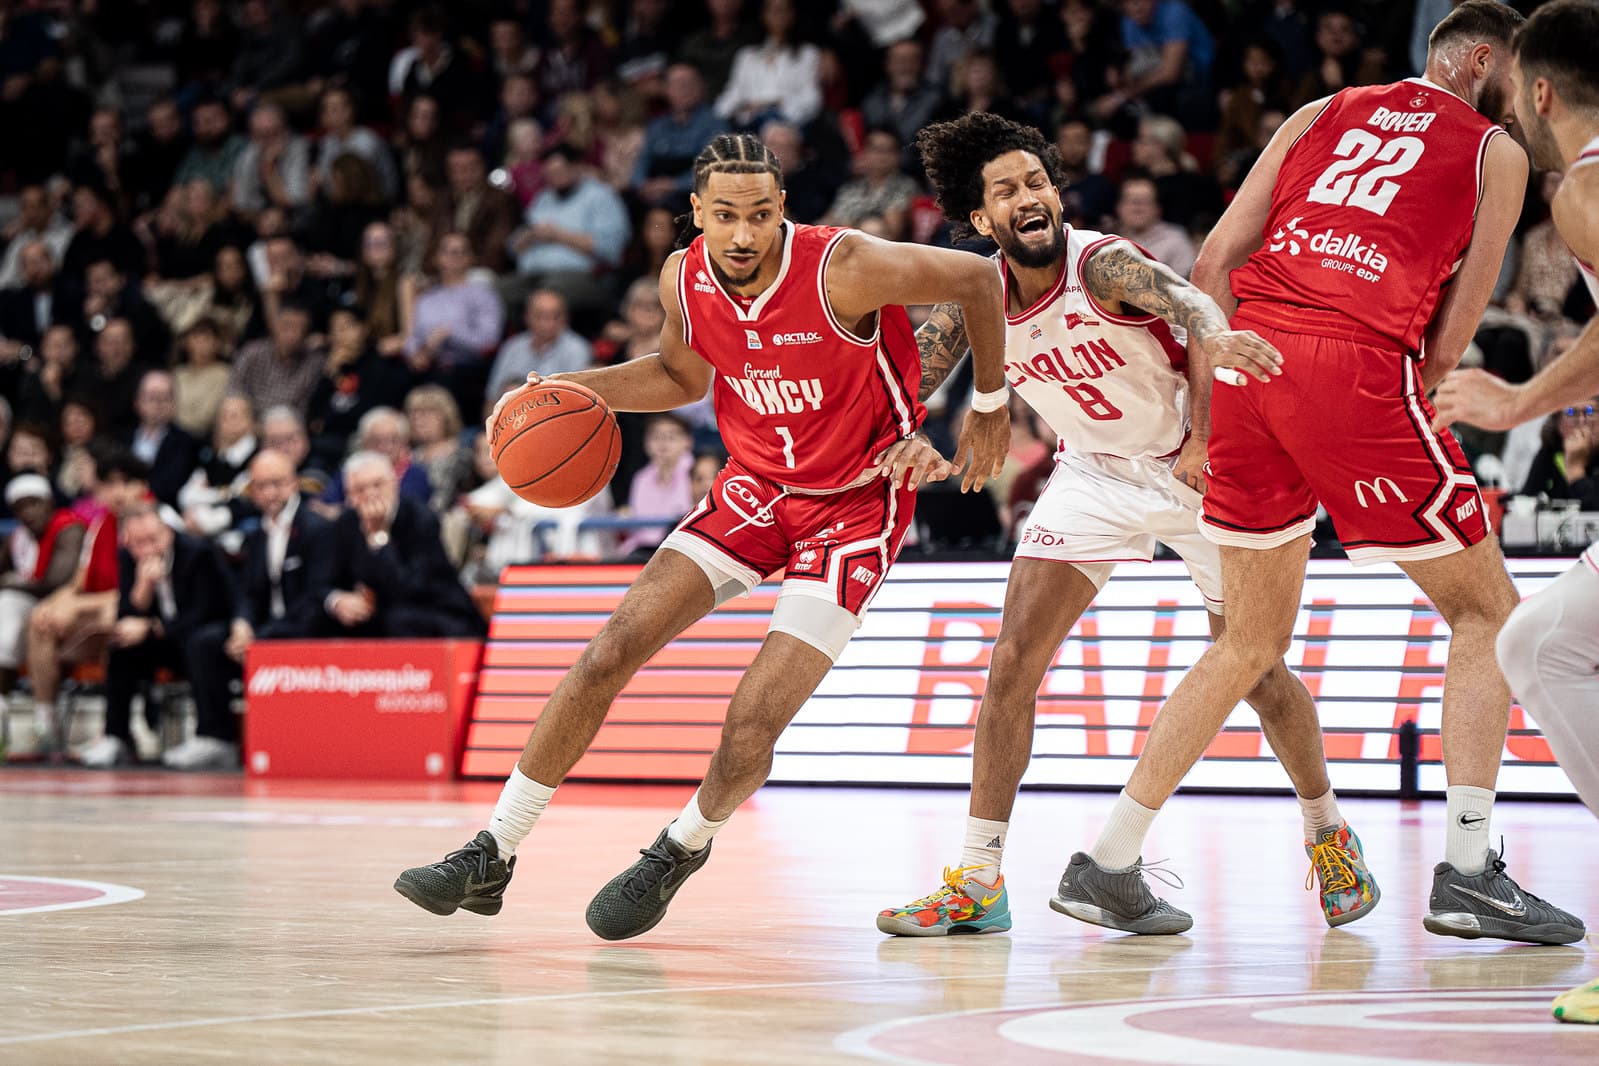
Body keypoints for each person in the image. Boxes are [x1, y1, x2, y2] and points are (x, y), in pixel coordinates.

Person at [1051, 1, 1584, 946]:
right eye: (1512, 79)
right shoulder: (1491, 150)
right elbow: (1460, 317)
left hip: (1248, 361)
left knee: (1246, 640)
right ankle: (1466, 870)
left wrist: (1212, 415)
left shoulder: (1316, 113)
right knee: (1485, 611)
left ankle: (1109, 859)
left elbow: (1212, 262)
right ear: (1478, 61)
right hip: (1355, 367)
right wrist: (1399, 402)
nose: (1523, 105)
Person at [393, 131, 1012, 939]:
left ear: (782, 208)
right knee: (609, 647)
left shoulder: (843, 264)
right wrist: (565, 392)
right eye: (725, 215)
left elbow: (974, 276)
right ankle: (493, 851)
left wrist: (991, 407)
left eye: (760, 214)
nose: (744, 234)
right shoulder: (682, 276)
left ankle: (682, 845)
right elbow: (682, 377)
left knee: (752, 718)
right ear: (696, 215)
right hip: (752, 489)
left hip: (856, 504)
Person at [875, 112, 1362, 936]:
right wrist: (907, 437)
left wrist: (1206, 430)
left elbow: (1189, 305)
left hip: (1196, 463)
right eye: (1005, 191)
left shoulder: (1101, 263)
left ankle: (1326, 831)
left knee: (1256, 669)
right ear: (981, 218)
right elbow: (900, 383)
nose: (1028, 197)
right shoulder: (974, 296)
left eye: (1036, 182)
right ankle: (978, 881)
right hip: (1094, 474)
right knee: (1009, 664)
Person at [1428, 0, 1599, 1022]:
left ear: (1536, 92)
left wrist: (1526, 397)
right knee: (1538, 637)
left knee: (1536, 643)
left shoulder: (1580, 185)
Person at [179, 449, 333, 768]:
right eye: (261, 486)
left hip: (304, 629)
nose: (269, 493)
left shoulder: (317, 528)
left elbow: (315, 598)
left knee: (282, 637)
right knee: (205, 642)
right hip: (264, 629)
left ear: (293, 484)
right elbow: (247, 591)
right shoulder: (256, 533)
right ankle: (216, 737)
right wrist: (242, 625)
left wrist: (260, 637)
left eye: (277, 484)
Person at [101, 505, 236, 769]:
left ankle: (214, 737)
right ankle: (116, 736)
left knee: (201, 642)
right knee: (122, 647)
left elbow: (205, 611)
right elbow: (126, 615)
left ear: (169, 534)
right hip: (168, 642)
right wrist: (142, 590)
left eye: (152, 540)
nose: (147, 550)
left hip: (207, 636)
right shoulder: (129, 559)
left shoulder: (198, 553)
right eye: (138, 544)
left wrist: (152, 627)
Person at [315, 451, 486, 639]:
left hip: (435, 609)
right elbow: (322, 579)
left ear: (394, 484)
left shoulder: (420, 517)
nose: (370, 494)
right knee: (320, 618)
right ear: (348, 496)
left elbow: (410, 588)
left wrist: (378, 536)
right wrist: (337, 600)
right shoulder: (346, 523)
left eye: (377, 485)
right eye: (359, 489)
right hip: (377, 612)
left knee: (399, 620)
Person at [0, 474, 84, 741]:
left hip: (71, 606)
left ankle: (37, 715)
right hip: (33, 609)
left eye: (34, 503)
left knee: (13, 605)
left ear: (49, 502)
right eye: (21, 507)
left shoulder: (69, 528)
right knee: (9, 606)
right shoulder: (17, 537)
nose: (29, 512)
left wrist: (12, 584)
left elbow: (58, 581)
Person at [485, 289, 593, 404]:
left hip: (559, 418)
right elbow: (491, 400)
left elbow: (579, 402)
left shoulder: (578, 349)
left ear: (566, 318)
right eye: (540, 316)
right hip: (512, 419)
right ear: (527, 317)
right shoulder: (512, 347)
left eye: (556, 316)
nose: (548, 323)